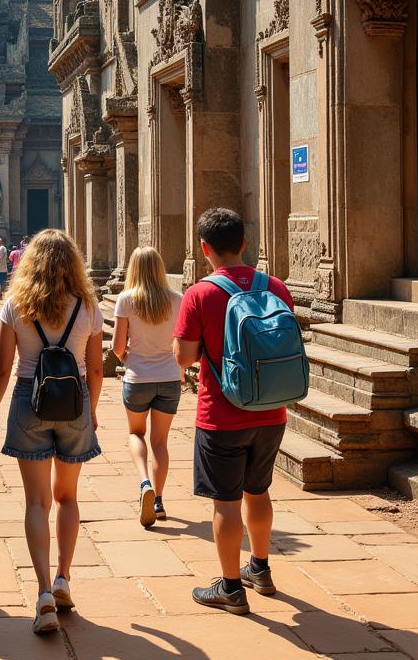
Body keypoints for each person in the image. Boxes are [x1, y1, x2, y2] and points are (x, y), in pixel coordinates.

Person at [174, 207, 293, 615]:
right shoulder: (275, 287)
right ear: (244, 243)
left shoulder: (201, 293)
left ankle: (229, 587)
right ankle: (259, 568)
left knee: (225, 503)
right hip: (271, 411)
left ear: (203, 248)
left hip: (221, 414)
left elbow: (184, 358)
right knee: (257, 491)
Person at [0, 229, 104, 634]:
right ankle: (63, 579)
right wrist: (90, 410)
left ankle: (42, 592)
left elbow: (3, 368)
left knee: (36, 502)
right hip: (74, 399)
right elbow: (95, 367)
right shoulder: (88, 306)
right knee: (68, 497)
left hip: (29, 398)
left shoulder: (15, 305)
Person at [113, 246, 183, 528]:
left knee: (136, 433)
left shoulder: (126, 300)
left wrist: (128, 357)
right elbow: (182, 342)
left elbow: (118, 347)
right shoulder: (178, 299)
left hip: (138, 377)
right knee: (160, 442)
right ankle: (159, 500)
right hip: (169, 377)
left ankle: (144, 483)